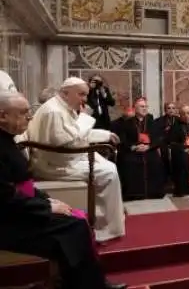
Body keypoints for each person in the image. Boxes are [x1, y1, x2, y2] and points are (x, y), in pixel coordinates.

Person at [0, 91, 127, 289]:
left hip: (20, 210)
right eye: (23, 113)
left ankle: (96, 286)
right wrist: (47, 206)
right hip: (9, 222)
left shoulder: (6, 140)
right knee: (74, 227)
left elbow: (21, 185)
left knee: (77, 217)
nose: (29, 117)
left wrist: (48, 200)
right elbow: (5, 196)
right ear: (3, 116)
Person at [25, 77, 125, 243]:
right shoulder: (54, 111)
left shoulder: (62, 107)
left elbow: (75, 135)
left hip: (64, 158)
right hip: (54, 165)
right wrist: (85, 117)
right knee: (108, 172)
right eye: (81, 95)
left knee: (108, 166)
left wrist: (106, 135)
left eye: (85, 95)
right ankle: (108, 225)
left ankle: (110, 220)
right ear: (65, 93)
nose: (85, 99)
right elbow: (66, 141)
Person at [115, 98, 167, 201]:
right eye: (142, 106)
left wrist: (149, 146)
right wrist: (133, 147)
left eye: (146, 106)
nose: (144, 108)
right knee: (129, 163)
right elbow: (123, 140)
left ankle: (154, 193)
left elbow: (159, 139)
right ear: (135, 108)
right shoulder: (127, 123)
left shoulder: (153, 123)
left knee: (156, 162)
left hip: (150, 150)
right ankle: (134, 194)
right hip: (134, 151)